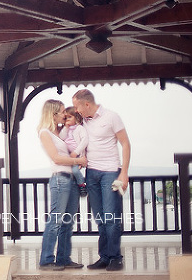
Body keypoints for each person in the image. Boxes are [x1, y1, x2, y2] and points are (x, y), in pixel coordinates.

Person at [71, 89, 131, 272]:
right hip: (91, 173)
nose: (76, 110)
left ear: (86, 104)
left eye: (77, 107)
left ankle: (115, 258)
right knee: (100, 218)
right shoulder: (83, 122)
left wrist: (124, 173)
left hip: (110, 172)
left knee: (111, 217)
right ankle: (104, 257)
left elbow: (125, 143)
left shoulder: (112, 117)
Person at [37, 99, 88, 271]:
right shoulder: (45, 133)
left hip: (72, 179)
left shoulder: (62, 132)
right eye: (62, 111)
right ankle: (46, 260)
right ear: (53, 114)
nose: (65, 114)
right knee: (55, 221)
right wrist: (78, 160)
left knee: (67, 222)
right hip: (60, 179)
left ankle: (63, 259)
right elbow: (56, 158)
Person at [61, 106, 88, 197]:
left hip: (76, 155)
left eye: (70, 117)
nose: (67, 119)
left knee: (75, 170)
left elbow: (85, 140)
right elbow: (62, 137)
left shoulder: (79, 128)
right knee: (68, 172)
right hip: (67, 155)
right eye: (66, 118)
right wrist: (66, 127)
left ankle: (82, 185)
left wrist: (76, 152)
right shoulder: (66, 129)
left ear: (76, 118)